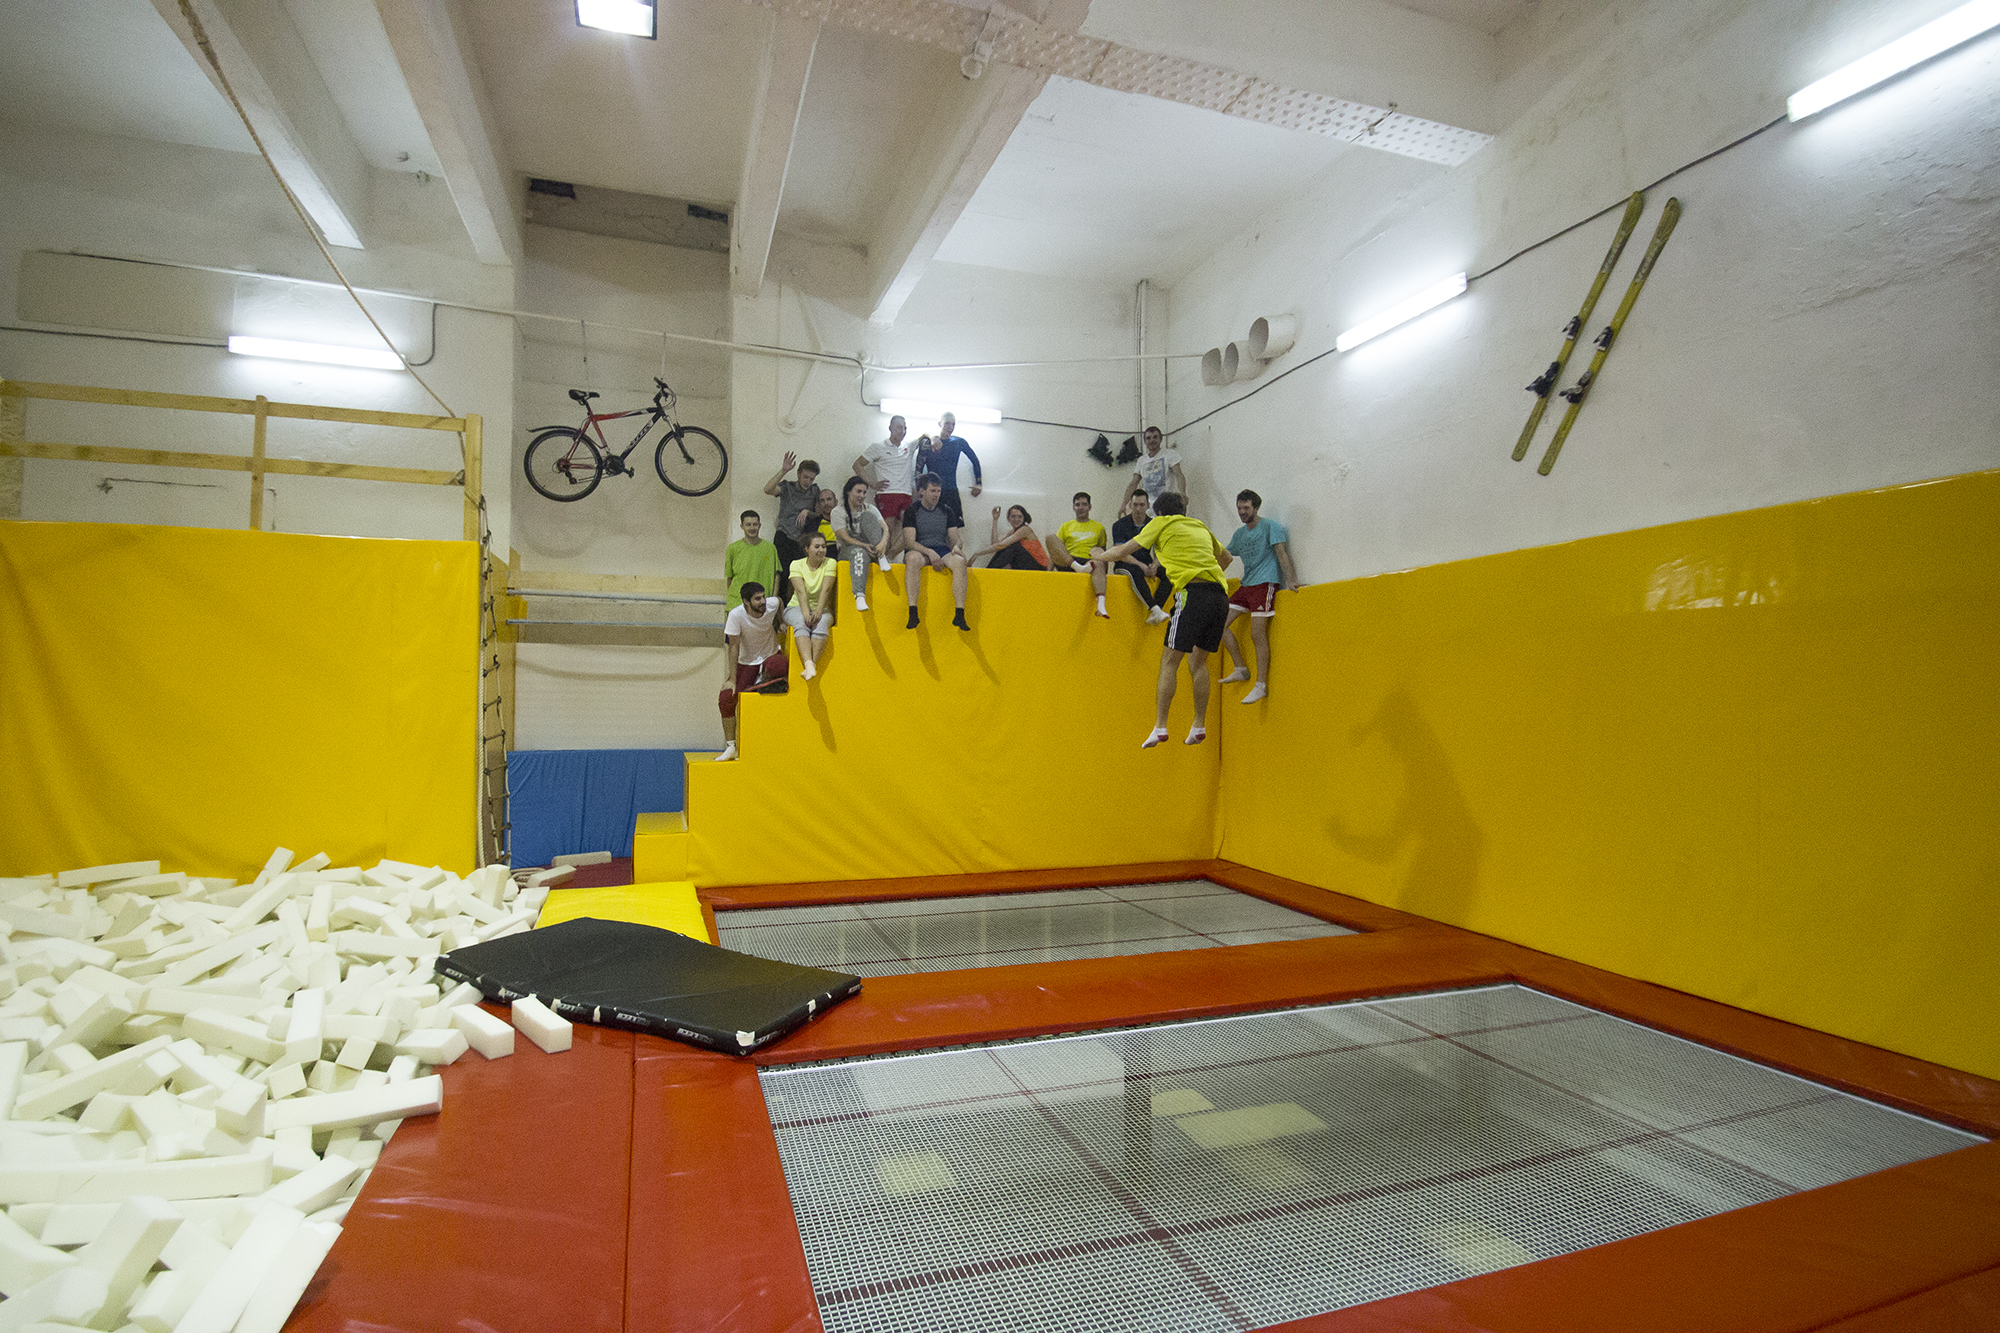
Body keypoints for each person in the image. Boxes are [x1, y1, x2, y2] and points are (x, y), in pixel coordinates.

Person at [1092, 492, 1231, 748]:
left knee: (1169, 661)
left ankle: (1160, 727)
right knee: (1199, 663)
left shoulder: (1160, 523)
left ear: (1158, 512)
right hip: (1220, 597)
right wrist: (1205, 575)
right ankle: (1199, 725)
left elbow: (1122, 550)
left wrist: (1098, 556)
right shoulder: (1199, 526)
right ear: (1183, 510)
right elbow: (1227, 559)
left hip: (1193, 595)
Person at [1218, 489, 1299, 704]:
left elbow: (1282, 554)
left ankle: (1261, 685)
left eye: (1246, 508)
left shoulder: (1270, 526)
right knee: (1218, 624)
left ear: (1256, 507)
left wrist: (1291, 580)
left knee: (1257, 634)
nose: (1242, 512)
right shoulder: (1239, 534)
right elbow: (1225, 555)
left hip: (1265, 583)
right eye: (1239, 508)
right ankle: (1240, 668)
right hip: (1246, 585)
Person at [716, 581, 786, 762]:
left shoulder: (771, 604)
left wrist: (781, 622)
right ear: (746, 602)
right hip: (747, 663)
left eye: (763, 597)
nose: (763, 601)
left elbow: (779, 601)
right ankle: (731, 747)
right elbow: (733, 647)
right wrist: (732, 679)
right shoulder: (736, 615)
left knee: (779, 666)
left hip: (770, 655)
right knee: (726, 697)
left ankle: (763, 681)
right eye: (757, 599)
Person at [902, 473, 970, 630]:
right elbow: (909, 542)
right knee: (912, 559)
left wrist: (957, 547)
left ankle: (960, 613)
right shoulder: (912, 510)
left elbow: (955, 538)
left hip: (941, 549)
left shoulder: (946, 510)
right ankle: (913, 612)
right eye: (932, 491)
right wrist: (929, 552)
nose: (936, 495)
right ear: (922, 491)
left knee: (960, 561)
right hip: (920, 549)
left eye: (938, 491)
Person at [855, 416, 918, 566]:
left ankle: (890, 556)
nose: (902, 431)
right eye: (898, 427)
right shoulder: (878, 446)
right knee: (887, 530)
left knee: (911, 528)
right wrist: (871, 483)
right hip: (886, 494)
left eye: (904, 427)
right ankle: (883, 561)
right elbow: (857, 465)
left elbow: (925, 436)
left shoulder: (909, 446)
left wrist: (934, 439)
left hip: (906, 494)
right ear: (890, 428)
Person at [762, 452, 821, 607]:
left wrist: (807, 512)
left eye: (811, 479)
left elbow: (820, 513)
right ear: (799, 474)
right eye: (806, 477)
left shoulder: (814, 491)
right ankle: (777, 610)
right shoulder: (787, 487)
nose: (808, 481)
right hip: (784, 536)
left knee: (799, 577)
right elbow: (767, 489)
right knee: (781, 575)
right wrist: (783, 471)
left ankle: (795, 609)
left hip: (801, 540)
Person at [1109, 489, 1171, 624]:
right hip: (1125, 563)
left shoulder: (1153, 524)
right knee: (1136, 571)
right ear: (1130, 505)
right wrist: (1141, 566)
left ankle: (1157, 608)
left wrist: (1155, 564)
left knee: (1169, 573)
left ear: (1148, 505)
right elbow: (1120, 552)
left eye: (1141, 505)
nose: (1138, 509)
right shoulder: (1119, 525)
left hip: (1147, 561)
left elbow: (1162, 550)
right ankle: (1153, 607)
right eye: (1135, 505)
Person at [1045, 492, 1111, 618]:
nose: (1081, 507)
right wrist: (1047, 574)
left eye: (1084, 504)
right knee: (1050, 537)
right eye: (1078, 504)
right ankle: (1077, 567)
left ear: (1090, 507)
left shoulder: (1099, 527)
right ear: (1073, 507)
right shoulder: (1066, 526)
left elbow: (1103, 552)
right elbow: (1055, 551)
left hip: (1088, 563)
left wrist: (1104, 573)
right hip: (1068, 561)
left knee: (1098, 561)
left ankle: (1101, 606)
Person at [785, 533, 837, 681]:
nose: (821, 550)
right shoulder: (796, 564)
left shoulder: (831, 563)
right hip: (796, 606)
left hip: (822, 608)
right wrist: (806, 612)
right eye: (817, 547)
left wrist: (819, 611)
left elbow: (826, 590)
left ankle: (811, 665)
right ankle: (808, 663)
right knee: (801, 621)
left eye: (823, 547)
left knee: (822, 622)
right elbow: (800, 591)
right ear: (807, 549)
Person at [915, 412, 982, 523]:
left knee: (954, 526)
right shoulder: (928, 443)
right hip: (932, 491)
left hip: (951, 490)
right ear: (939, 423)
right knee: (931, 525)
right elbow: (919, 468)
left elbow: (975, 460)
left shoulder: (958, 442)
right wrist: (919, 489)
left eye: (953, 424)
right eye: (947, 423)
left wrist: (978, 483)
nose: (950, 427)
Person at [833, 475, 887, 611]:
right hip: (848, 550)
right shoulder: (837, 511)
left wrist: (881, 545)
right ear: (848, 492)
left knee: (867, 516)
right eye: (858, 491)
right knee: (859, 552)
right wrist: (864, 546)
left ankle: (881, 557)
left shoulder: (870, 508)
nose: (862, 495)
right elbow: (844, 537)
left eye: (864, 492)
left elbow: (885, 529)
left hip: (873, 548)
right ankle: (859, 595)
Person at [724, 510, 779, 611]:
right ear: (742, 526)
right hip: (737, 603)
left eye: (755, 524)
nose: (752, 528)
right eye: (748, 525)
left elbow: (776, 575)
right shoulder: (733, 549)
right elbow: (729, 578)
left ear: (760, 525)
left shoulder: (770, 548)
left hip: (761, 604)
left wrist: (773, 599)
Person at [1121, 425, 1186, 509]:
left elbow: (1179, 475)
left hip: (1166, 505)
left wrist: (1183, 493)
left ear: (1161, 439)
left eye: (1155, 437)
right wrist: (1124, 504)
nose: (1152, 440)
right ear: (1145, 441)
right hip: (1147, 507)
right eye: (1148, 438)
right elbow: (1133, 483)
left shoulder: (1169, 454)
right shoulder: (1141, 460)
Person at [967, 505, 1047, 571]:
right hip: (1025, 566)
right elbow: (995, 544)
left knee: (1013, 547)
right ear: (1009, 518)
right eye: (1013, 516)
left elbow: (1000, 545)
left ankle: (989, 572)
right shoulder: (1012, 532)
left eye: (1020, 517)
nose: (1016, 519)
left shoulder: (1025, 530)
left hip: (1039, 567)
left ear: (1024, 518)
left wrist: (977, 554)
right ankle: (990, 571)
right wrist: (995, 520)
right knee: (1004, 547)